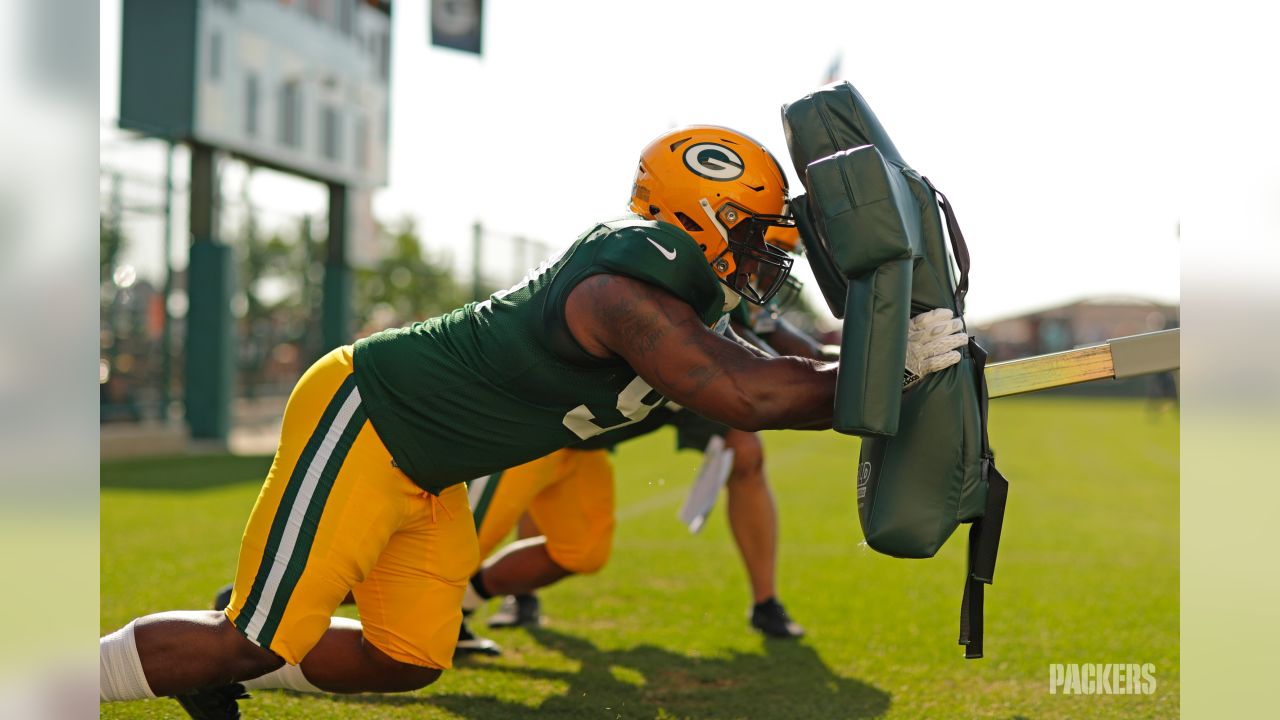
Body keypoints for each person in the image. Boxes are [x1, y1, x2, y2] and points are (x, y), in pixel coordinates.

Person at [98, 124, 966, 719]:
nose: (762, 260)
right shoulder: (621, 286)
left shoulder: (686, 299)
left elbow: (784, 367)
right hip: (374, 415)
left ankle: (230, 660)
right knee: (254, 634)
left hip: (432, 468)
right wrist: (890, 371)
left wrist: (895, 352)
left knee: (408, 657)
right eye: (753, 237)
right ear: (701, 216)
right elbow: (746, 395)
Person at [459, 303, 836, 655]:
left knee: (582, 549)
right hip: (536, 421)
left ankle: (464, 604)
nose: (764, 268)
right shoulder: (660, 288)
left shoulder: (735, 298)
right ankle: (417, 621)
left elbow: (791, 354)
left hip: (590, 438)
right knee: (465, 539)